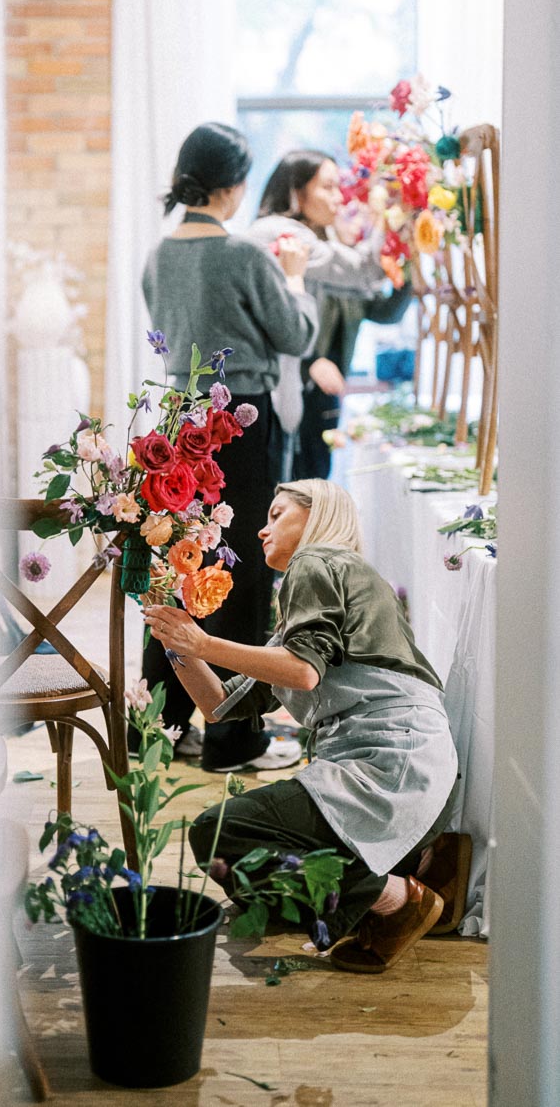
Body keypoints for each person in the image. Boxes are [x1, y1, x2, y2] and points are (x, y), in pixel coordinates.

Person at [143, 479, 465, 973]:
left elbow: (301, 672)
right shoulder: (329, 587)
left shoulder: (316, 563)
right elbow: (218, 707)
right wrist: (177, 639)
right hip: (416, 774)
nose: (261, 529)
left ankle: (397, 898)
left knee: (218, 833)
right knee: (256, 876)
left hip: (388, 768)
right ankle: (422, 868)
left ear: (317, 517)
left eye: (276, 514)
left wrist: (204, 644)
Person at [139, 122, 318, 774]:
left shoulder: (158, 255)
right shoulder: (245, 255)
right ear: (235, 186)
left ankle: (162, 725)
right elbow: (295, 335)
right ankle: (234, 740)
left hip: (177, 421)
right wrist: (296, 278)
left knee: (177, 568)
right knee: (238, 574)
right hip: (239, 425)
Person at [250, 151, 412, 479]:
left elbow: (375, 301)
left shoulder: (321, 242)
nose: (340, 199)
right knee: (290, 493)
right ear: (296, 191)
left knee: (311, 485)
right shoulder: (283, 235)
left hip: (319, 389)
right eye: (328, 187)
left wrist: (409, 268)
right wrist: (391, 214)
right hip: (285, 387)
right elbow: (363, 269)